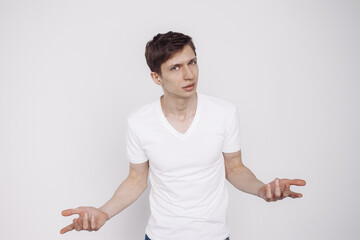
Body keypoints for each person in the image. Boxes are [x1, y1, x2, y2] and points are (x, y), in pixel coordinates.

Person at [60, 31, 306, 240]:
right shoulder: (139, 122)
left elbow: (235, 168)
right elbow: (136, 180)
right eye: (175, 67)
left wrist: (263, 189)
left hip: (215, 235)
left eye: (192, 62)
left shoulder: (224, 112)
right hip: (161, 235)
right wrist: (103, 212)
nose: (189, 75)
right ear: (157, 77)